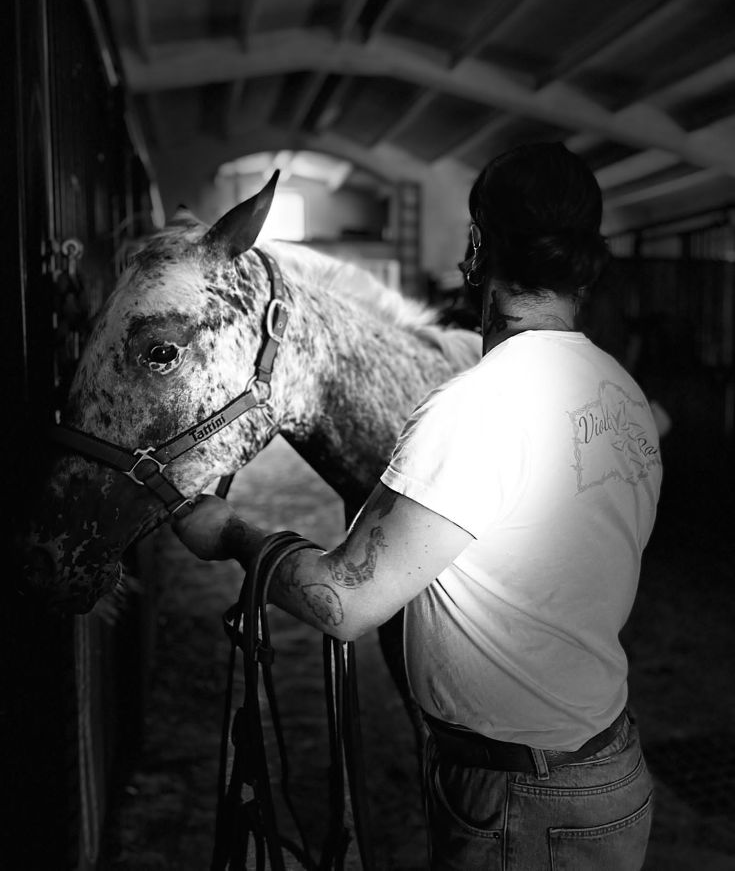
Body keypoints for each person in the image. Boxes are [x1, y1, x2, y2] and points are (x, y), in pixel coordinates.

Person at [173, 142, 662, 871]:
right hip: (607, 770)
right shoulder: (621, 394)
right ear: (584, 262)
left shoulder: (472, 407)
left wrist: (233, 535)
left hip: (519, 800)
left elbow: (346, 601)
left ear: (477, 251)